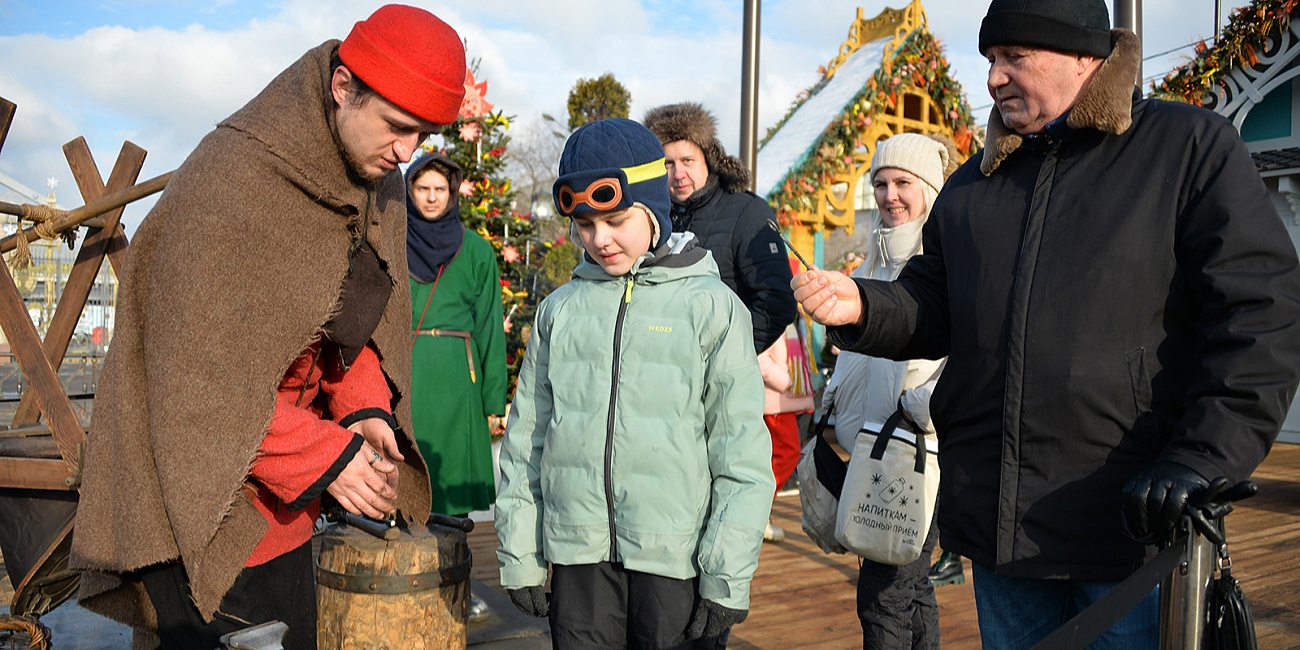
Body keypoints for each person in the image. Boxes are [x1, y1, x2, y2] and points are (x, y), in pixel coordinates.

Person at [792, 1, 1300, 647]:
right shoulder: (975, 183)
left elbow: (1260, 313)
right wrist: (864, 306)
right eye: (989, 60)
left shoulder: (1187, 147)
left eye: (1013, 57)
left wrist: (1202, 459)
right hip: (1002, 535)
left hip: (1135, 530)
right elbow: (936, 301)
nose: (994, 78)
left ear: (1085, 56)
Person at [68, 6, 467, 648]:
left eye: (422, 135)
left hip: (286, 504)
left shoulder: (376, 180)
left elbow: (349, 324)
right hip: (197, 501)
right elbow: (195, 389)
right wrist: (328, 457)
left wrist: (364, 408)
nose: (405, 153)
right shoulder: (232, 181)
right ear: (343, 88)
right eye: (397, 127)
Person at [495, 118, 775, 649]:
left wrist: (726, 575)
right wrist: (520, 555)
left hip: (676, 561)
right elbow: (526, 441)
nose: (600, 240)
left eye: (617, 220)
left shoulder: (710, 307)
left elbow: (741, 454)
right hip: (579, 561)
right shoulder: (560, 311)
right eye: (584, 225)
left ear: (652, 209)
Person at [819, 133, 953, 649]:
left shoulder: (945, 264)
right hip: (872, 454)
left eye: (903, 182)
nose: (889, 195)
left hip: (918, 454)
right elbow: (857, 357)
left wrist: (917, 410)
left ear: (929, 189)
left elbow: (963, 353)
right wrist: (833, 401)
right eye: (880, 183)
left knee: (883, 597)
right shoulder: (869, 265)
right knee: (911, 591)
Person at [405, 151, 506, 623]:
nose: (430, 197)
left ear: (451, 194)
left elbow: (489, 327)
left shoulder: (479, 252)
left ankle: (458, 589)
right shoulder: (390, 243)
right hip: (405, 378)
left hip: (458, 381)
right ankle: (405, 585)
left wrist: (492, 399)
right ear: (409, 190)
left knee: (452, 500)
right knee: (404, 485)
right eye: (422, 188)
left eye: (438, 189)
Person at [643, 102, 797, 354]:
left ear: (708, 159)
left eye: (687, 160)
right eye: (667, 164)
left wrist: (724, 358)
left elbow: (776, 302)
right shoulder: (652, 218)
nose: (678, 173)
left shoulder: (747, 212)